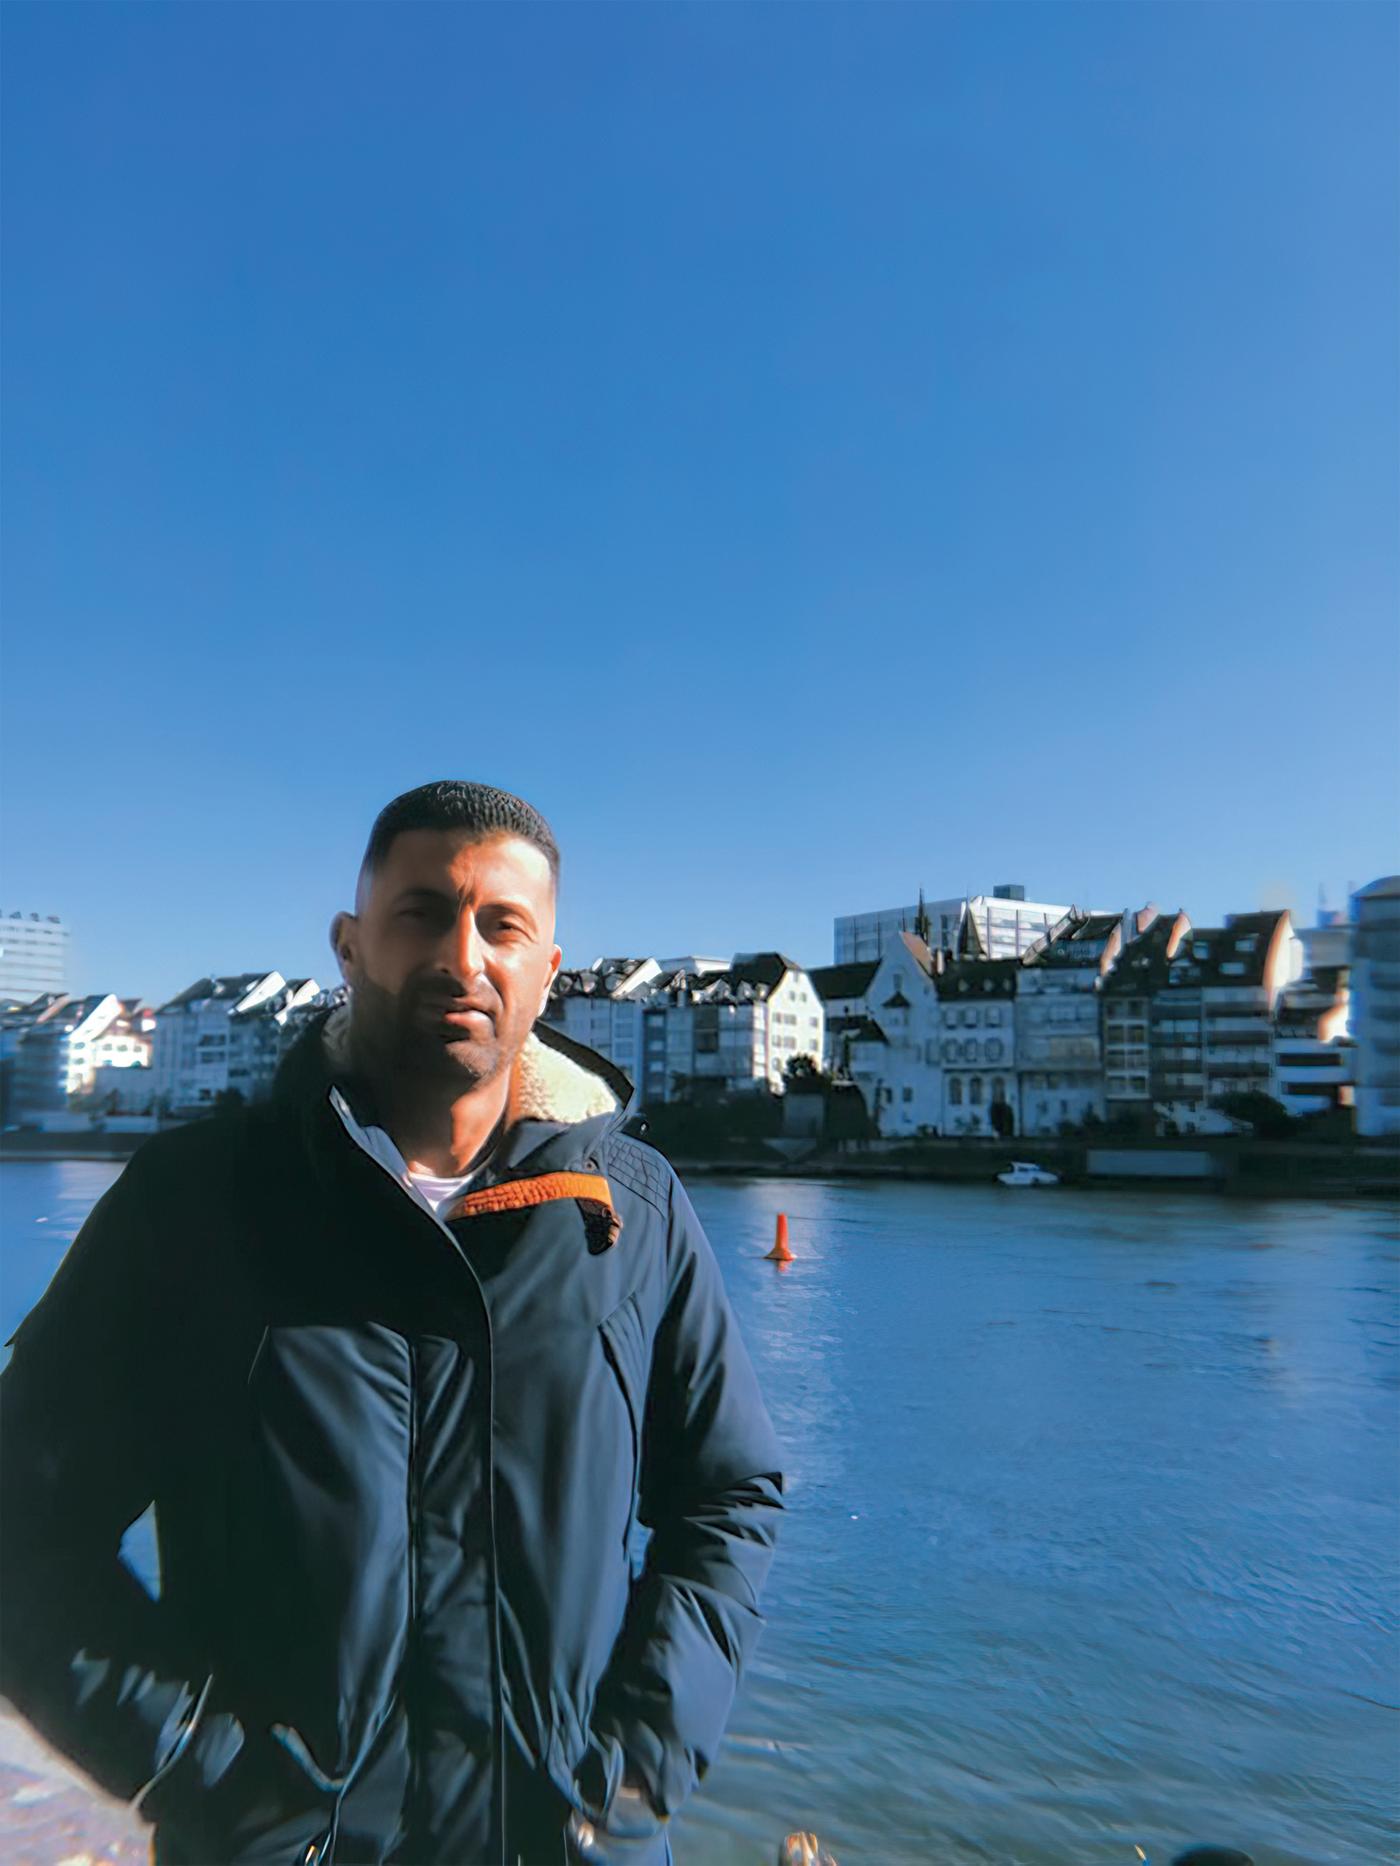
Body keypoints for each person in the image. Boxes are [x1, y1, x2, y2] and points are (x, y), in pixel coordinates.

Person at [0, 780, 785, 1866]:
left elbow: (727, 1496)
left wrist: (642, 1757)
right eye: (422, 913)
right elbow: (21, 1523)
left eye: (502, 925)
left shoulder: (633, 1213)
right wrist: (188, 1758)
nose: (464, 958)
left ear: (547, 970)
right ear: (351, 944)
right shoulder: (196, 1201)